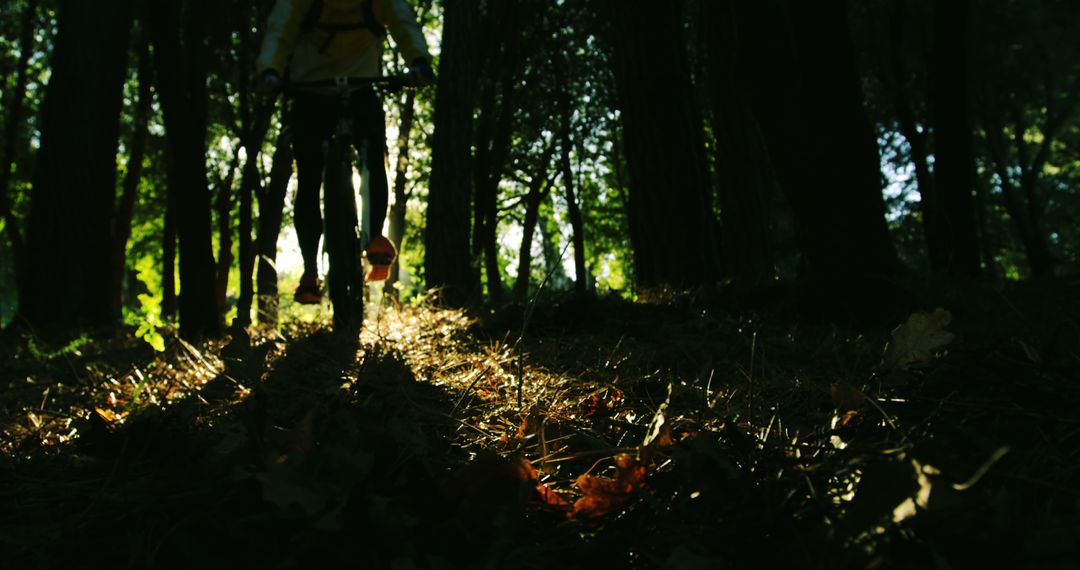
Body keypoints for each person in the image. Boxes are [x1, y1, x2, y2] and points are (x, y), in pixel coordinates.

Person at [254, 0, 434, 304]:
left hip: (357, 89)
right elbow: (280, 29)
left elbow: (403, 23)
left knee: (375, 157)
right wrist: (269, 68)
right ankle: (311, 271)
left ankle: (375, 239)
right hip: (312, 91)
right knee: (309, 176)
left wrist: (419, 60)